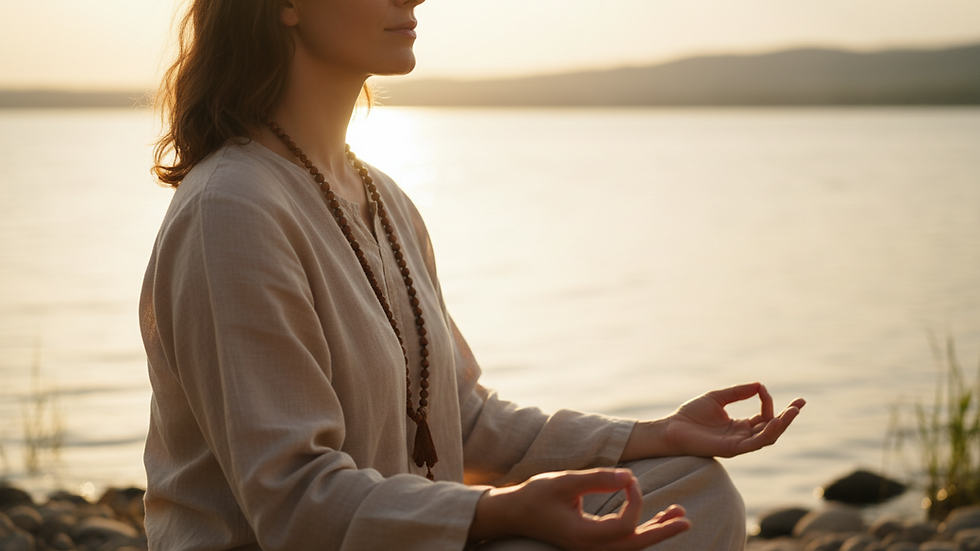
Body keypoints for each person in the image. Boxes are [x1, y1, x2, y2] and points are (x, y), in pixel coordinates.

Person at [140, 0, 806, 550]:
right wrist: (502, 512)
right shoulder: (231, 211)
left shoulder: (383, 198)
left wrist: (652, 435)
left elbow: (464, 421)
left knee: (695, 487)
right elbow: (293, 501)